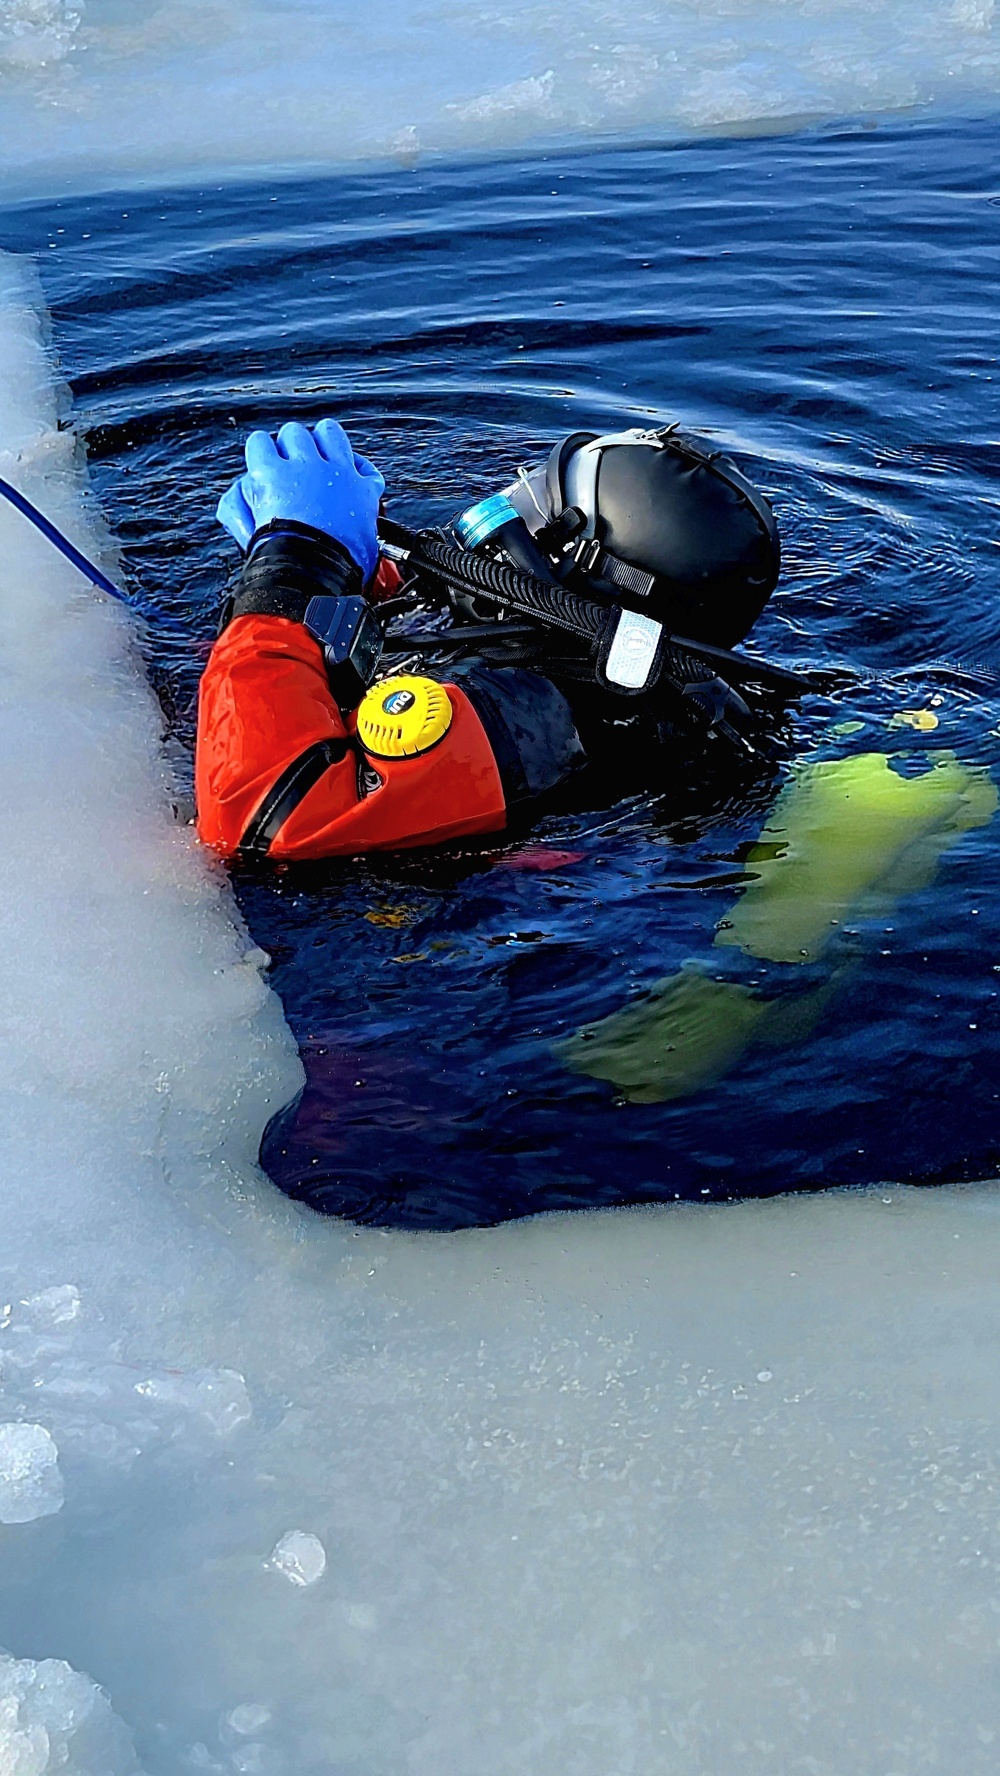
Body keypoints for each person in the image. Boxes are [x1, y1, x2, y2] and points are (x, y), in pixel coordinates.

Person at [196, 416, 781, 862]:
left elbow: (262, 819)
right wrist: (331, 565)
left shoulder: (536, 712)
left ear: (582, 568)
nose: (501, 511)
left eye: (531, 505)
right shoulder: (545, 653)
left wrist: (293, 560)